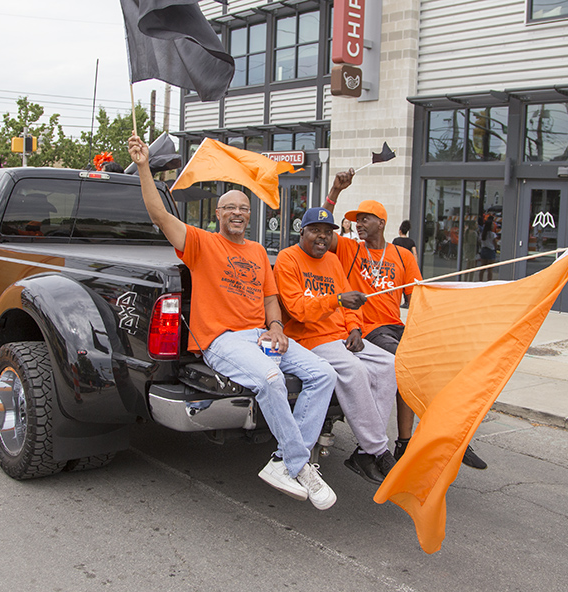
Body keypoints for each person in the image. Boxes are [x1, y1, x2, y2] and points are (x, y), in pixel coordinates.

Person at [128, 134, 339, 510]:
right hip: (222, 341)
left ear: (249, 214)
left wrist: (276, 327)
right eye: (230, 208)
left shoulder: (259, 251)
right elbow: (159, 214)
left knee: (324, 374)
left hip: (261, 336)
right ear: (219, 215)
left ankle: (282, 462)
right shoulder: (201, 243)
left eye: (244, 207)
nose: (238, 213)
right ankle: (299, 463)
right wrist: (144, 166)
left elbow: (271, 299)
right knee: (271, 380)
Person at [322, 169, 488, 469]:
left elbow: (417, 299)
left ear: (381, 223)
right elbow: (322, 228)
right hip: (367, 330)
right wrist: (335, 191)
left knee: (433, 368)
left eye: (365, 218)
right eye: (356, 219)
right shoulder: (349, 249)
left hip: (396, 327)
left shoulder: (402, 256)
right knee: (407, 365)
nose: (358, 223)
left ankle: (408, 443)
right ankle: (448, 437)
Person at [274, 207, 399, 484]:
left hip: (343, 336)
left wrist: (355, 327)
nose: (322, 236)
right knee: (355, 370)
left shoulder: (332, 261)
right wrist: (337, 301)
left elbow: (349, 303)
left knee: (389, 365)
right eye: (316, 230)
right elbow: (297, 309)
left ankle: (366, 449)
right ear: (302, 231)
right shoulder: (288, 259)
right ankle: (378, 450)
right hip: (310, 339)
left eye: (327, 231)